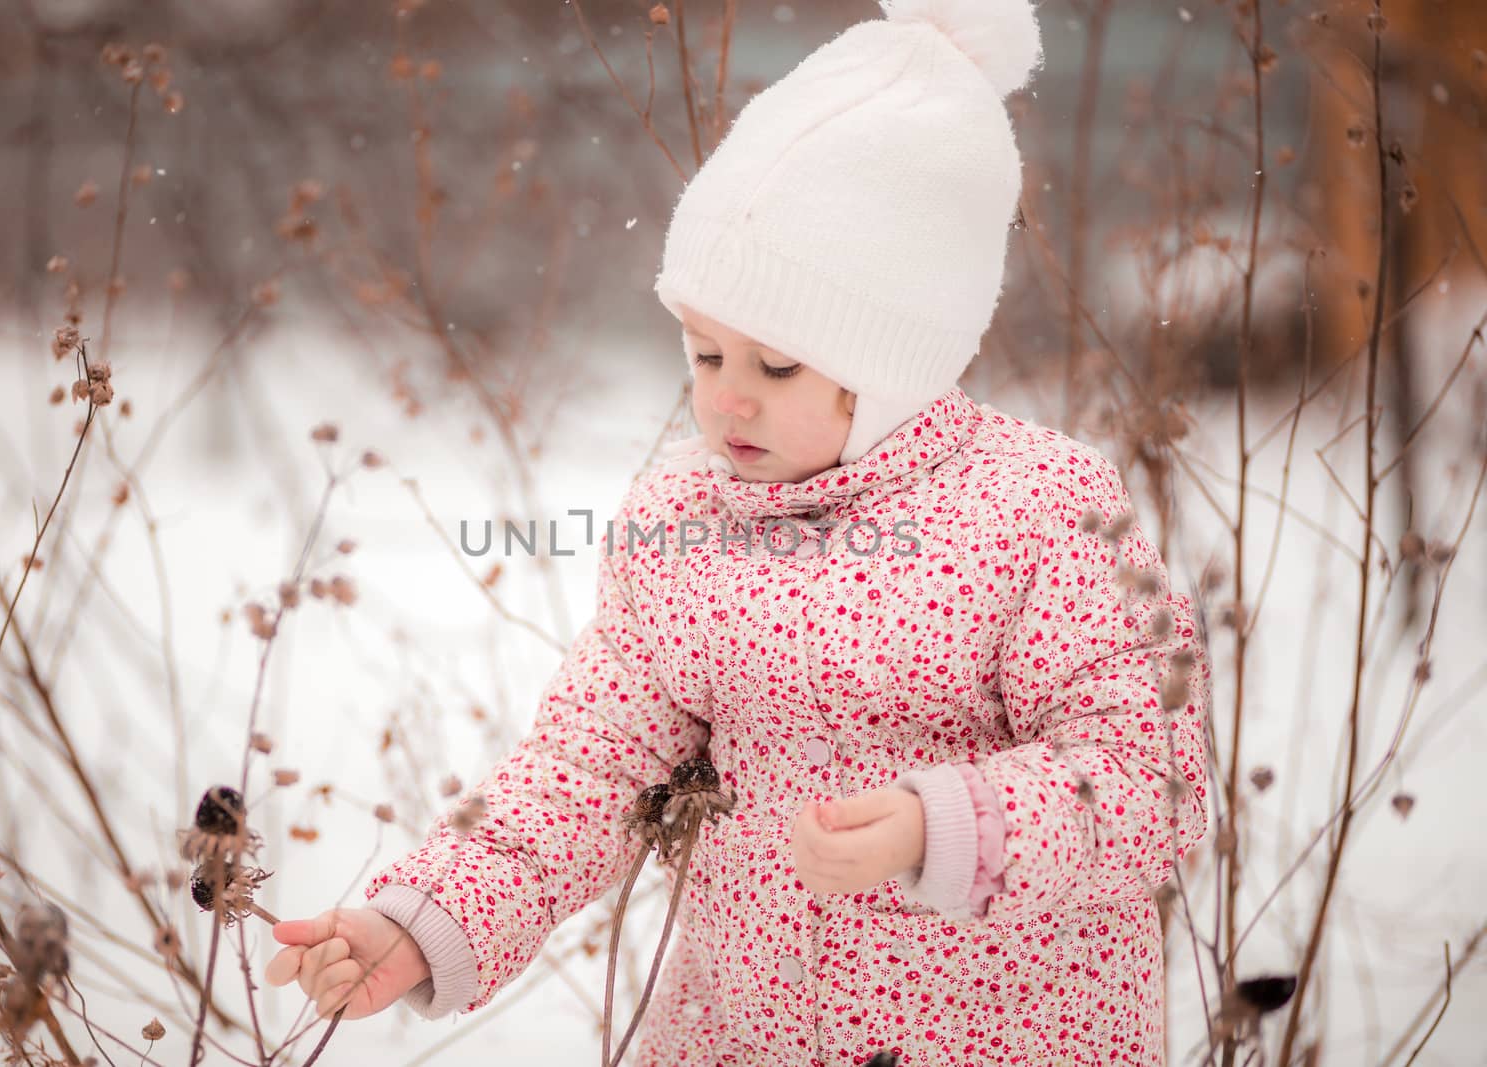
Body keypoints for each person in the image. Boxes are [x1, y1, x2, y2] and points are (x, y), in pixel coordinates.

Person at [265, 0, 1212, 1062]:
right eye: (706, 354)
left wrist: (939, 826)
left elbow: (1148, 776)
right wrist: (426, 919)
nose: (728, 403)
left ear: (893, 361)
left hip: (1004, 1038)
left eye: (777, 365)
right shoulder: (682, 527)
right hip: (740, 1036)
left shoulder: (1041, 510)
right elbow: (587, 764)